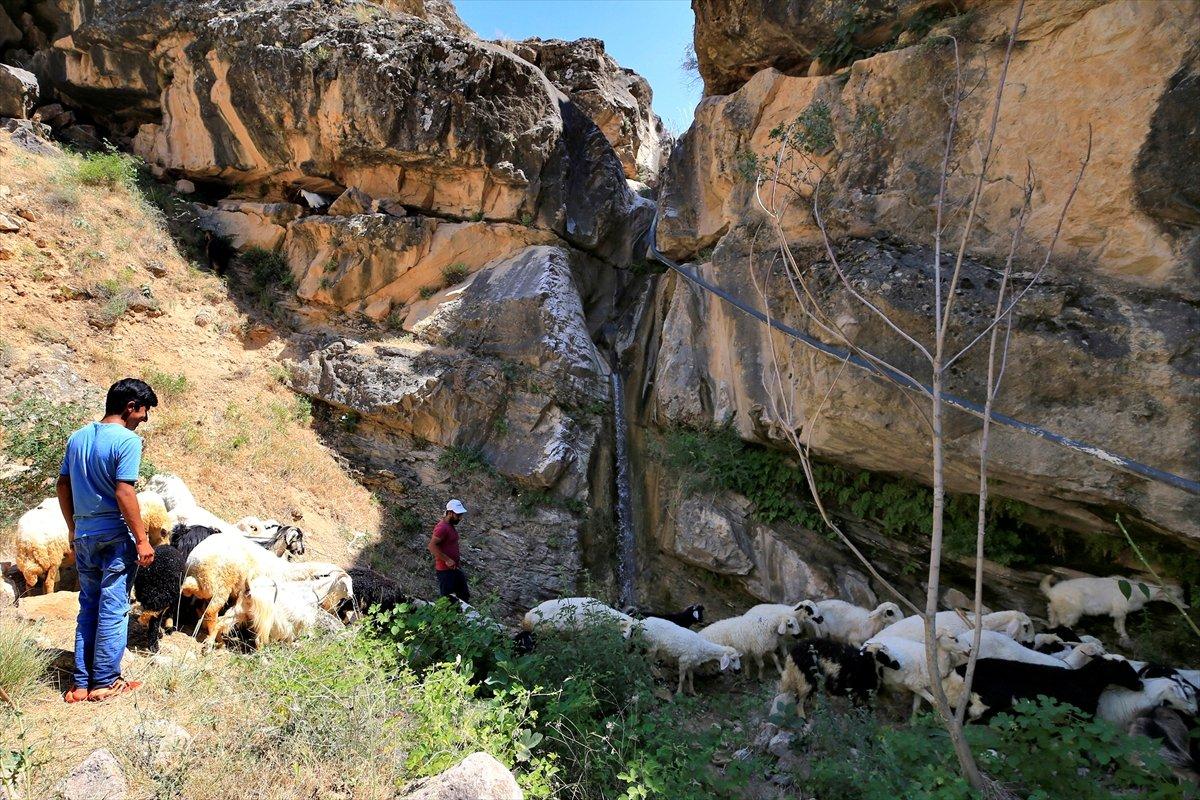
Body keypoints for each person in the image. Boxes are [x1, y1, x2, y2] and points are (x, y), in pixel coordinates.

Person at [57, 378, 158, 703]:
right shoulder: (126, 441)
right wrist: (142, 540)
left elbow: (62, 486)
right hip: (114, 537)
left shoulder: (77, 438)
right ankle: (105, 682)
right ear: (131, 407)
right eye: (144, 412)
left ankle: (81, 684)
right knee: (113, 609)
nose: (144, 420)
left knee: (88, 605)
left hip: (84, 535)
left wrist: (73, 528)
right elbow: (124, 491)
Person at [428, 499, 469, 603]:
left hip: (454, 569)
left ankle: (462, 617)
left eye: (461, 515)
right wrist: (447, 560)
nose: (460, 518)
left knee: (464, 595)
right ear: (450, 513)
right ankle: (448, 618)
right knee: (448, 600)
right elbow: (432, 546)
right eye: (458, 515)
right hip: (445, 571)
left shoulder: (450, 526)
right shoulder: (442, 528)